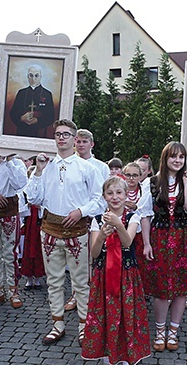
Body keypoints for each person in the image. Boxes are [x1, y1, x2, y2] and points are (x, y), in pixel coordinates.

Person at [24, 119, 104, 345]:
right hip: (49, 229)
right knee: (54, 280)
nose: (61, 138)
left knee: (80, 281)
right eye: (58, 134)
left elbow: (100, 200)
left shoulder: (88, 168)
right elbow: (33, 198)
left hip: (77, 230)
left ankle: (83, 325)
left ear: (74, 139)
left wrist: (81, 211)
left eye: (66, 134)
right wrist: (37, 172)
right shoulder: (45, 166)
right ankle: (57, 324)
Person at [82, 176, 151, 365]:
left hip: (126, 276)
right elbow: (94, 253)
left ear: (126, 195)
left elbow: (128, 241)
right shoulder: (96, 219)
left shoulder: (133, 217)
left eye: (119, 193)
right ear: (104, 196)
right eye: (110, 193)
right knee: (104, 316)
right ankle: (106, 361)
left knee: (125, 316)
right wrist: (102, 234)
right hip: (103, 276)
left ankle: (128, 364)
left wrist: (118, 225)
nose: (115, 197)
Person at [138, 142, 187, 352]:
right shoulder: (151, 183)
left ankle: (173, 331)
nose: (177, 161)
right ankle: (159, 331)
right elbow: (145, 215)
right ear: (165, 158)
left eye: (181, 157)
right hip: (160, 237)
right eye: (173, 157)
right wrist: (147, 243)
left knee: (180, 287)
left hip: (184, 239)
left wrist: (186, 182)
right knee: (161, 289)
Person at [64, 128, 110, 312]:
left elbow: (104, 194)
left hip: (93, 218)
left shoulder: (101, 167)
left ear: (92, 144)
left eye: (85, 142)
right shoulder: (67, 164)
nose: (81, 145)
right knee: (76, 259)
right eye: (78, 141)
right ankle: (76, 295)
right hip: (74, 218)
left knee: (93, 259)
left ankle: (94, 295)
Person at [0, 152, 28, 308]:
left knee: (10, 253)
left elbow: (20, 184)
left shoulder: (16, 163)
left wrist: (10, 160)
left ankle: (13, 290)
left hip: (9, 209)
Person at [8, 64, 55, 137]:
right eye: (31, 75)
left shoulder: (47, 94)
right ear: (27, 76)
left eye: (36, 75)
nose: (33, 79)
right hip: (22, 132)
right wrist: (21, 118)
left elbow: (51, 116)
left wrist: (37, 120)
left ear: (40, 77)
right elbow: (13, 113)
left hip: (40, 133)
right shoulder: (21, 93)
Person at [20, 164, 46, 290]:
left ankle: (38, 278)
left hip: (40, 221)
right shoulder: (26, 191)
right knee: (28, 248)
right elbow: (21, 206)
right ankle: (29, 278)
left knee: (39, 249)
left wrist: (40, 207)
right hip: (29, 222)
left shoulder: (44, 188)